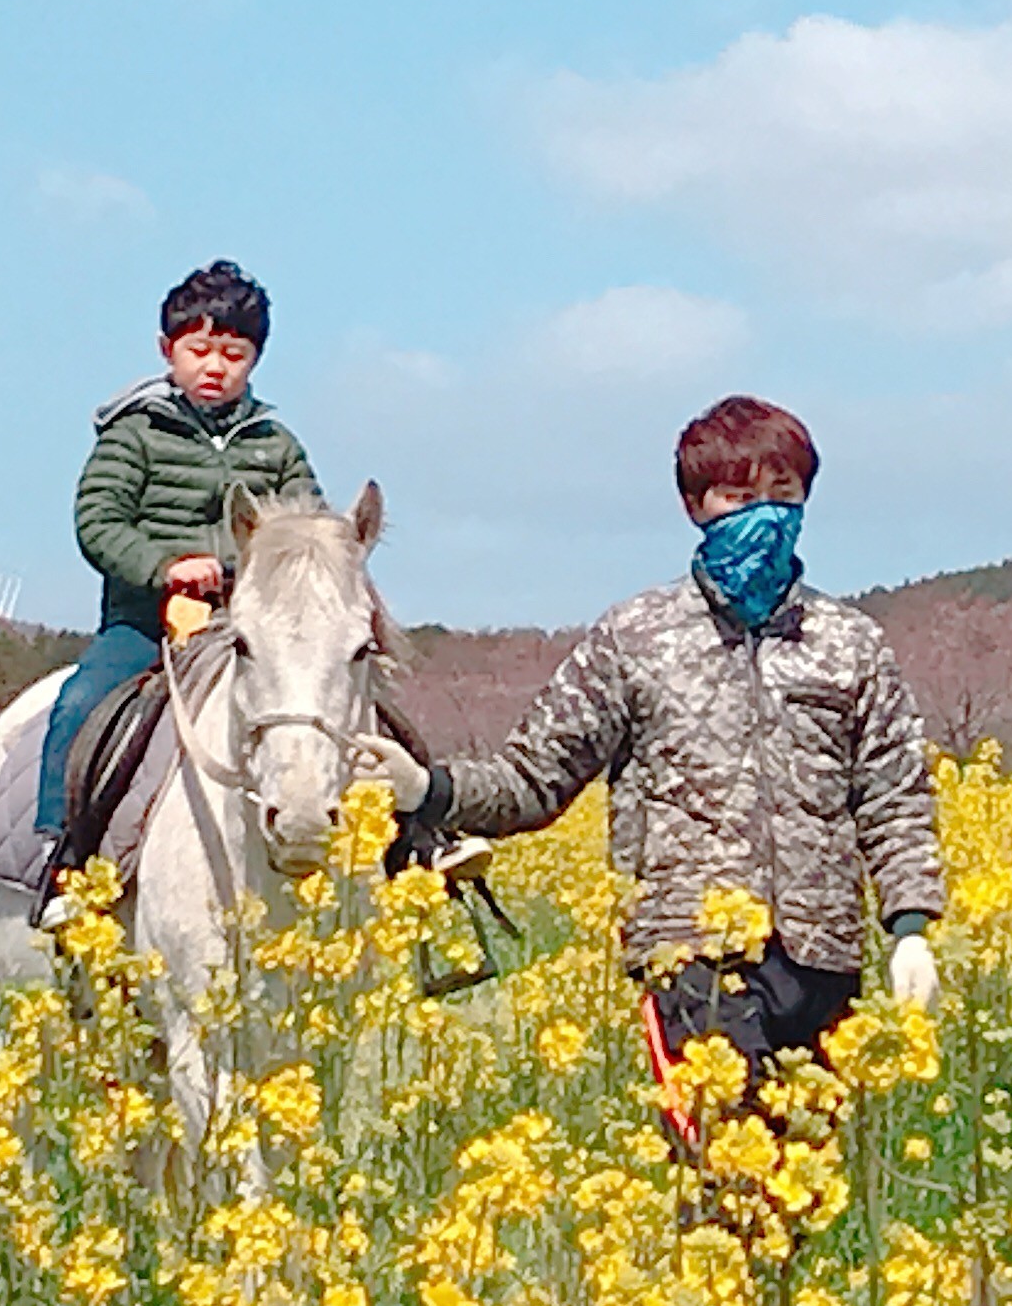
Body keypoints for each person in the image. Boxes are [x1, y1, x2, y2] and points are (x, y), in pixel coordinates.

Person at [371, 394, 942, 1073]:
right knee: (722, 1162)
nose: (763, 513)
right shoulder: (636, 636)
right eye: (737, 496)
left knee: (808, 1176)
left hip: (822, 959)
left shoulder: (848, 641)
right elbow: (535, 776)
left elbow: (895, 798)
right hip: (688, 953)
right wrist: (427, 789)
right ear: (696, 507)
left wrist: (910, 928)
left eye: (782, 493)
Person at [31, 259, 319, 920]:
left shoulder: (276, 444)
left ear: (255, 359)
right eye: (198, 351)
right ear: (168, 351)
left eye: (233, 354)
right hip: (146, 623)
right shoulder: (134, 433)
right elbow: (98, 521)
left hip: (245, 627)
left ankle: (416, 849)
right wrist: (166, 567)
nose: (214, 367)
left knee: (347, 701)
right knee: (80, 705)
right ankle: (64, 864)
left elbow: (305, 530)